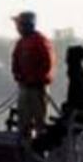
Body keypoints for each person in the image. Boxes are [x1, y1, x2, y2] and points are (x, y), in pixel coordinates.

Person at [34, 45, 83, 153]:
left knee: (53, 134)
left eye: (68, 57)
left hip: (81, 116)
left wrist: (69, 108)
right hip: (81, 114)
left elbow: (79, 99)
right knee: (54, 131)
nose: (66, 60)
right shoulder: (79, 73)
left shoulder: (77, 75)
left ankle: (39, 150)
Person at [11, 11, 55, 142]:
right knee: (23, 122)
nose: (17, 28)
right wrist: (18, 76)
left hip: (38, 89)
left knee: (40, 122)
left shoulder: (41, 41)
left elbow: (47, 64)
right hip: (25, 88)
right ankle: (25, 147)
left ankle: (40, 149)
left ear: (27, 25)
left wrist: (34, 79)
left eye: (19, 24)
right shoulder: (21, 43)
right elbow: (15, 61)